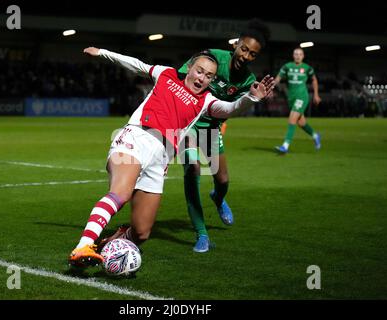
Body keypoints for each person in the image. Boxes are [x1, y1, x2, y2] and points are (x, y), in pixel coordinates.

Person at [68, 46, 274, 267]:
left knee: (141, 232)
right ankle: (83, 245)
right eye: (199, 71)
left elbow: (231, 108)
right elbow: (137, 64)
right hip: (136, 138)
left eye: (209, 76)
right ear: (190, 68)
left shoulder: (206, 101)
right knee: (121, 192)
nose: (202, 78)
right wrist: (103, 53)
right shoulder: (167, 74)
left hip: (161, 159)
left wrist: (252, 97)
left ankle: (105, 247)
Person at [177, 19, 271, 253]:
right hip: (188, 123)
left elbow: (235, 108)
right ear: (236, 45)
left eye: (252, 54)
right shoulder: (212, 58)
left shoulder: (249, 81)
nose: (246, 56)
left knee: (223, 181)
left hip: (211, 129)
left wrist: (253, 99)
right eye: (244, 49)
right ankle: (202, 234)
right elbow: (180, 78)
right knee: (193, 169)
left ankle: (217, 199)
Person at [274, 47, 322, 154]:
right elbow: (277, 79)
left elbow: (314, 80)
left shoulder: (307, 68)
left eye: (300, 54)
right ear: (293, 55)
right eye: (296, 54)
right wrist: (270, 87)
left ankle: (285, 146)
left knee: (292, 119)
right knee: (301, 123)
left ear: (303, 56)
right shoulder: (287, 66)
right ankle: (315, 135)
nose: (298, 56)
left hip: (302, 96)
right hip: (291, 97)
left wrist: (316, 95)